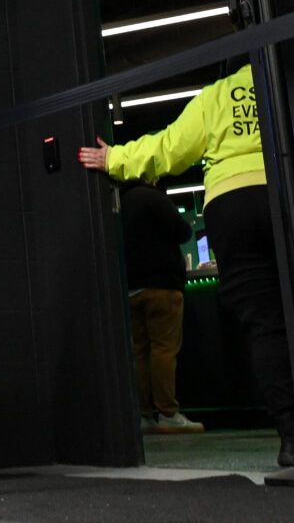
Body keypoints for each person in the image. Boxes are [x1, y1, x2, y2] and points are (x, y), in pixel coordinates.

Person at [77, 63, 294, 467]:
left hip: (230, 204)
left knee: (265, 327)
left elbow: (169, 147)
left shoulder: (217, 95)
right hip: (288, 189)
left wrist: (114, 158)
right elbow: (182, 229)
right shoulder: (290, 77)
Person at [117, 183, 203, 434]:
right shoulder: (153, 198)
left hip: (131, 287)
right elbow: (183, 231)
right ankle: (167, 412)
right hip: (162, 285)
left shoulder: (118, 200)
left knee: (139, 352)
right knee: (163, 349)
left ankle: (144, 416)